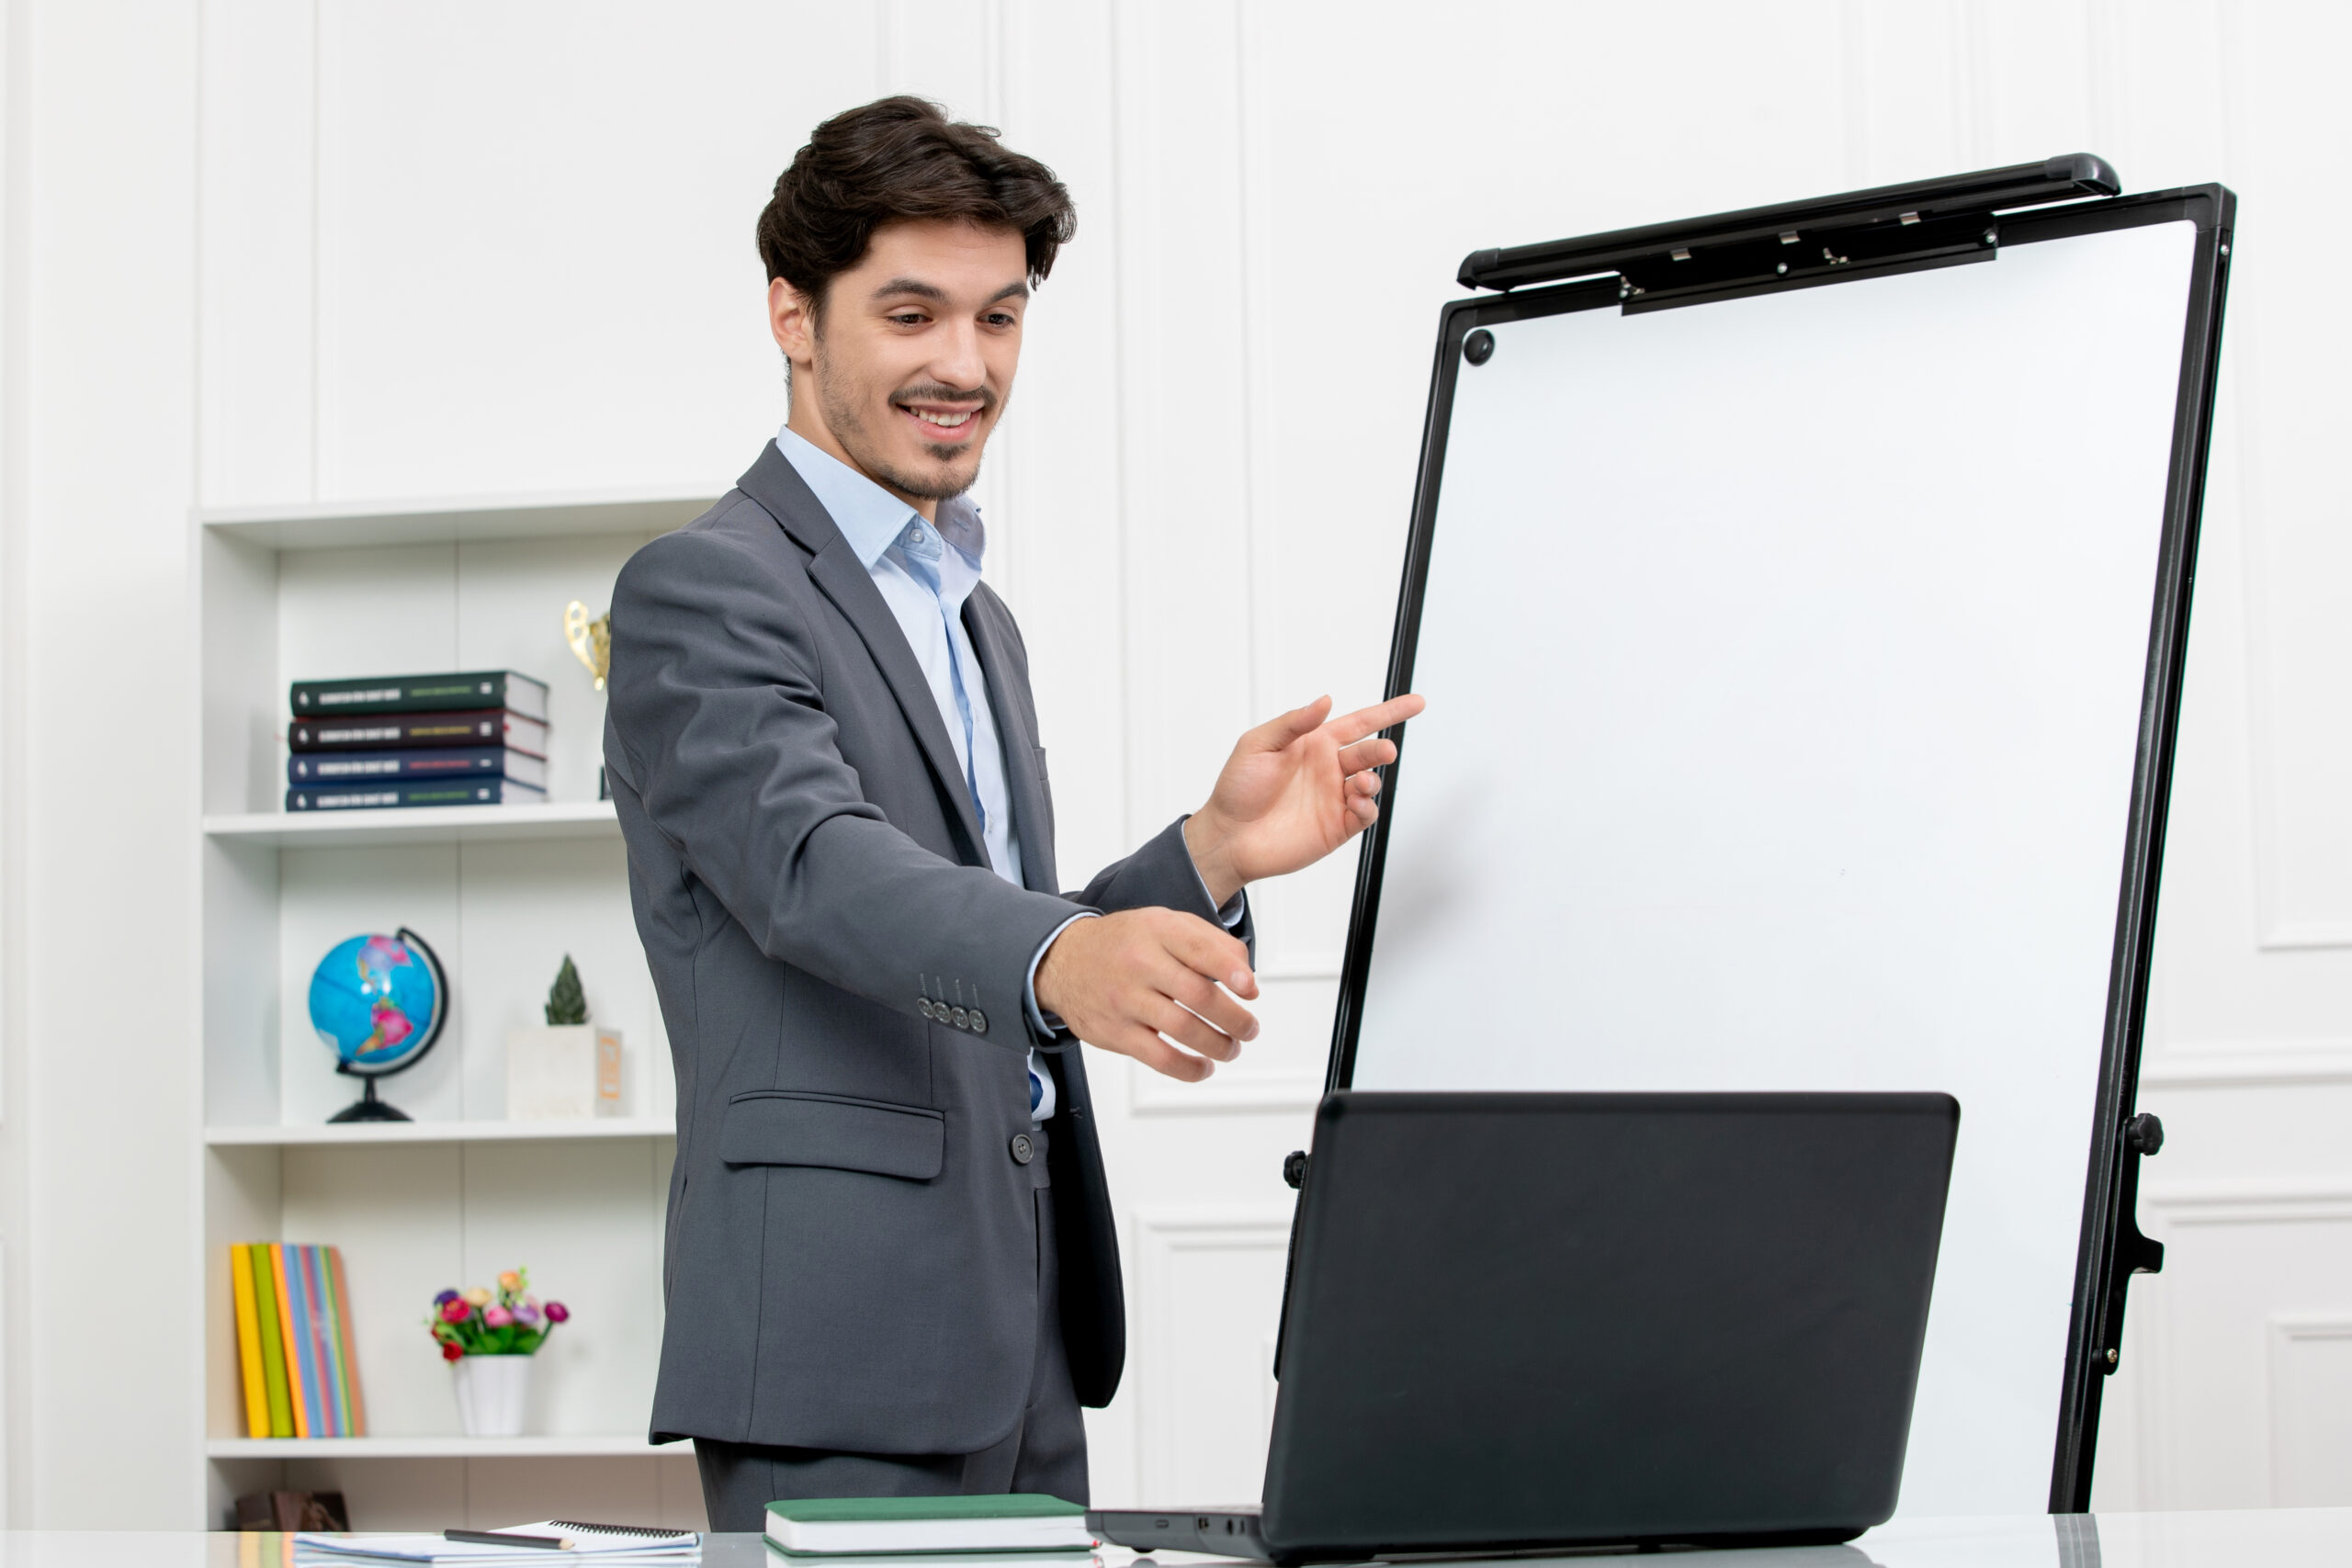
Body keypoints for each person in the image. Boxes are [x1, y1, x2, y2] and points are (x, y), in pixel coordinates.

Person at [603, 95, 1423, 1531]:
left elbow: (969, 942)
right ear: (794, 316)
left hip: (1025, 1322)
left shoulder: (976, 619)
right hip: (836, 1348)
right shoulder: (706, 586)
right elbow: (814, 870)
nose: (964, 366)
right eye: (912, 314)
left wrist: (1214, 850)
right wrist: (1057, 955)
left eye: (1001, 318)